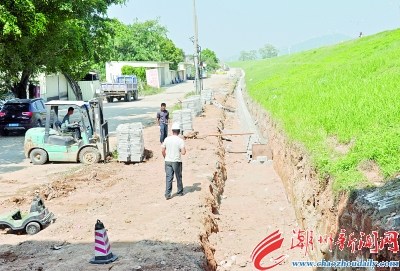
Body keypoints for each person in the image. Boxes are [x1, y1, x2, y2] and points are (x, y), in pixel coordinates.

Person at [161, 122, 186, 200]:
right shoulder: (180, 140)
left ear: (172, 131)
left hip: (167, 161)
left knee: (169, 177)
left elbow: (162, 150)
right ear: (179, 131)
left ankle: (167, 194)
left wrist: (165, 157)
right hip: (176, 161)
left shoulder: (167, 139)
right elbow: (183, 152)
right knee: (178, 176)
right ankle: (179, 192)